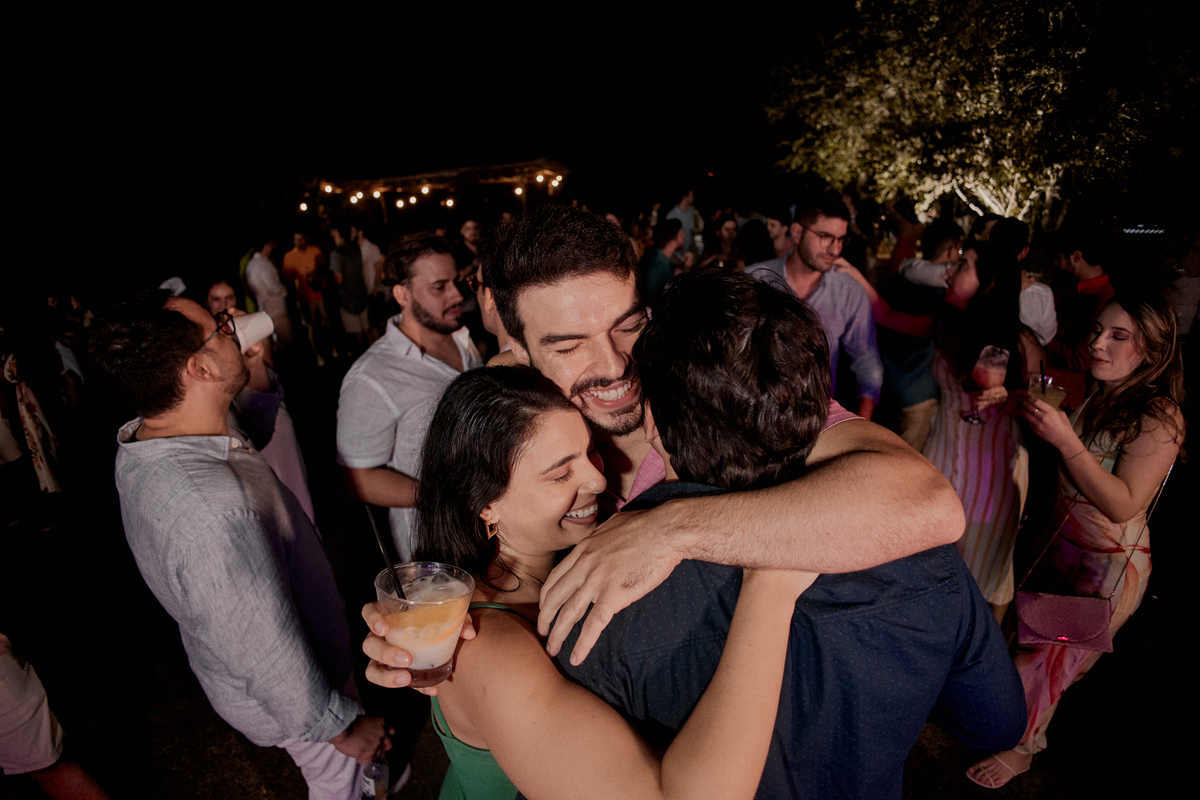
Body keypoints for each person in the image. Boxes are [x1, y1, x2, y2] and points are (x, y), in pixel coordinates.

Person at [416, 205, 960, 668]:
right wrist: (425, 629)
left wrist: (671, 529)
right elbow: (468, 556)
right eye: (567, 347)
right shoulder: (510, 419)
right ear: (520, 352)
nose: (613, 366)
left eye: (628, 326)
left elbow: (931, 504)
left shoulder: (711, 390)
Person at [552, 269, 1025, 798]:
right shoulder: (928, 562)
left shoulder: (598, 602)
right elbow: (996, 724)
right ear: (813, 407)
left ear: (655, 421)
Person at [387, 365, 814, 800]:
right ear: (485, 505)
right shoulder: (485, 648)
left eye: (590, 451)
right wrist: (772, 580)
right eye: (560, 474)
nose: (597, 478)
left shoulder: (577, 551)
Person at [87, 291, 389, 799]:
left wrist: (251, 372)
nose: (234, 326)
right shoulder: (210, 511)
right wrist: (341, 728)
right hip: (299, 696)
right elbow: (265, 651)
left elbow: (248, 432)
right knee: (341, 784)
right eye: (221, 327)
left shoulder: (161, 431)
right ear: (199, 368)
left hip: (287, 671)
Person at [967, 294, 1185, 789]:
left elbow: (1123, 503)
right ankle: (1006, 725)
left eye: (1117, 337)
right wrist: (1025, 411)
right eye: (1096, 331)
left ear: (1152, 350)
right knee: (1028, 644)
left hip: (1103, 568)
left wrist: (1066, 441)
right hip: (1062, 545)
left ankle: (1023, 750)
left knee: (1047, 663)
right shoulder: (1105, 390)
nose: (1097, 344)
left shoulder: (1161, 416)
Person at [843, 242, 1046, 620]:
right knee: (930, 569)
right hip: (940, 460)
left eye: (962, 266)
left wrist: (1012, 398)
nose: (950, 272)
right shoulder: (948, 325)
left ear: (989, 282)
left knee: (982, 577)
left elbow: (1045, 408)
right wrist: (852, 274)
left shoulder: (1022, 343)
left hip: (991, 472)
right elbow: (886, 314)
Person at [336, 233, 482, 561]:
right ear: (402, 294)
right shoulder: (371, 377)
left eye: (456, 282)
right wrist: (442, 497)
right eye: (439, 286)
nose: (457, 294)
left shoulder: (461, 339)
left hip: (497, 530)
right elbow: (358, 479)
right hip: (437, 550)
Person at [748, 190, 883, 419]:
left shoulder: (849, 292)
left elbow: (867, 363)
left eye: (841, 239)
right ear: (797, 232)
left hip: (815, 420)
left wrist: (862, 420)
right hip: (755, 416)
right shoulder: (755, 279)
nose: (835, 249)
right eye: (825, 236)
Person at [244, 238, 294, 349]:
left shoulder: (250, 265)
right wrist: (286, 290)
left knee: (279, 346)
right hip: (276, 311)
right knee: (290, 343)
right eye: (270, 246)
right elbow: (273, 287)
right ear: (265, 246)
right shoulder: (263, 264)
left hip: (264, 310)